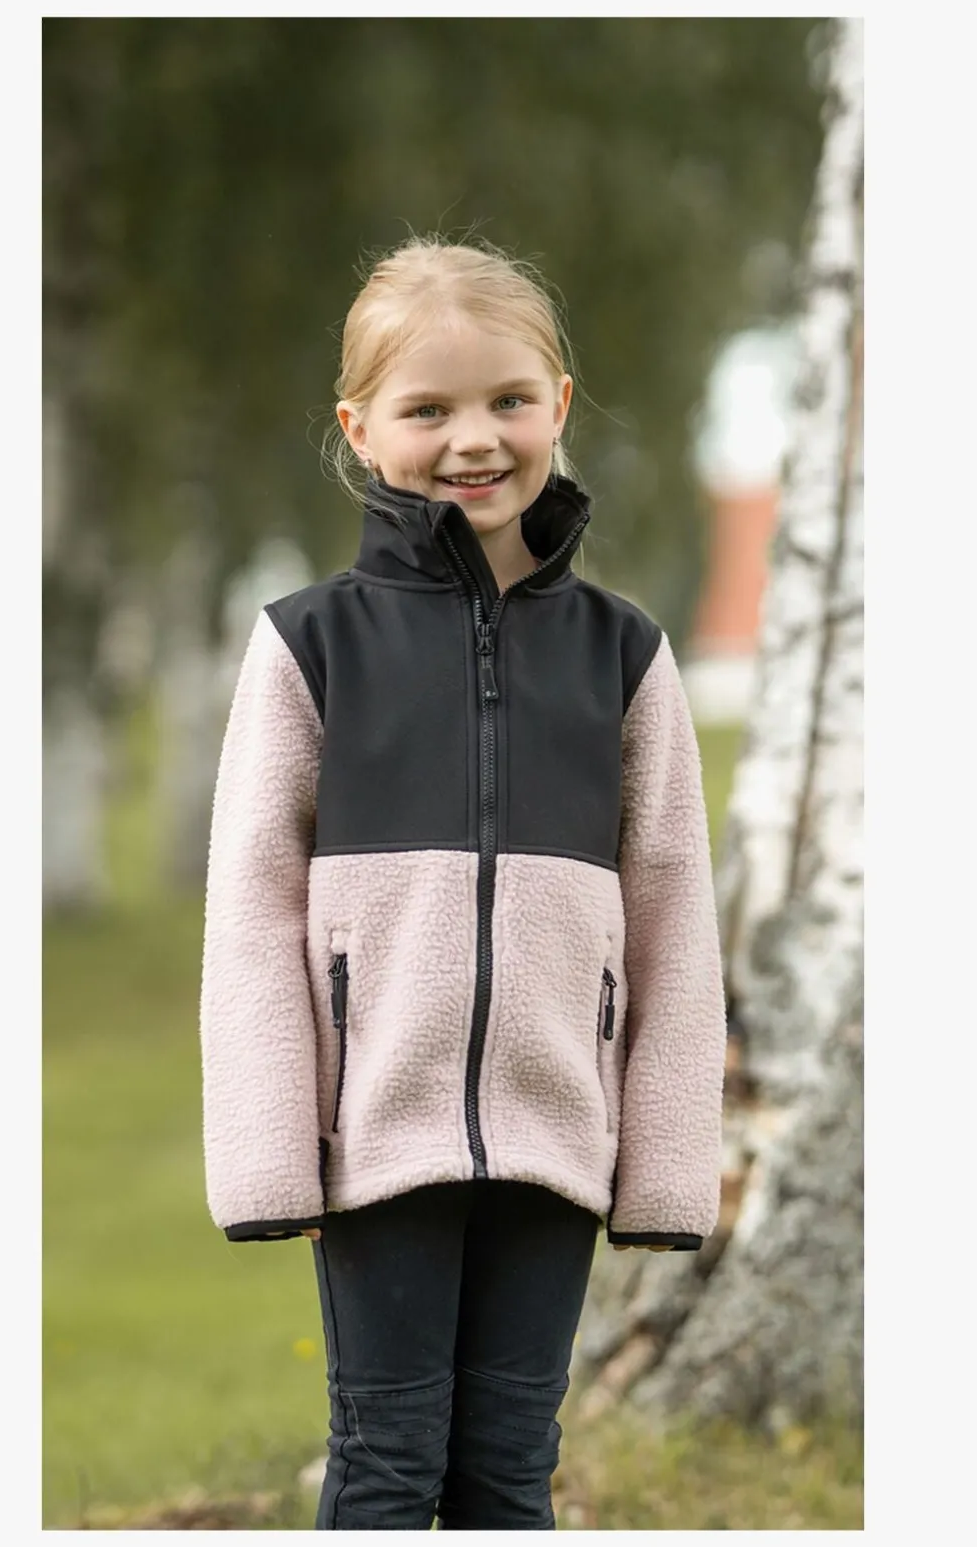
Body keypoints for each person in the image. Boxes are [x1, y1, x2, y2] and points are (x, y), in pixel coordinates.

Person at [199, 236, 727, 1530]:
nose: (473, 439)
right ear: (360, 429)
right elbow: (254, 913)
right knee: (387, 1461)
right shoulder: (309, 645)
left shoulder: (623, 654)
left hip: (557, 1139)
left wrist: (665, 1166)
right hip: (378, 1138)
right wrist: (271, 1158)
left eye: (507, 399)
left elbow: (673, 916)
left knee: (507, 1467)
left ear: (559, 401)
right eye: (427, 408)